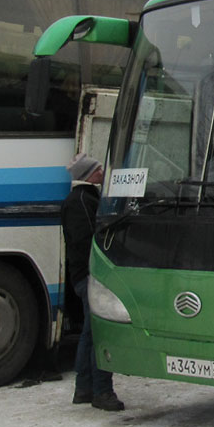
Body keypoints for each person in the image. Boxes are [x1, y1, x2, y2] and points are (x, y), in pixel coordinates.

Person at [61, 153, 124, 411]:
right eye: (98, 169)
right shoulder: (84, 202)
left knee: (89, 333)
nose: (102, 172)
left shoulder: (79, 200)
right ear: (90, 175)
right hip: (90, 276)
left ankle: (84, 388)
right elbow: (91, 240)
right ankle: (101, 390)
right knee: (99, 332)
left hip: (81, 275)